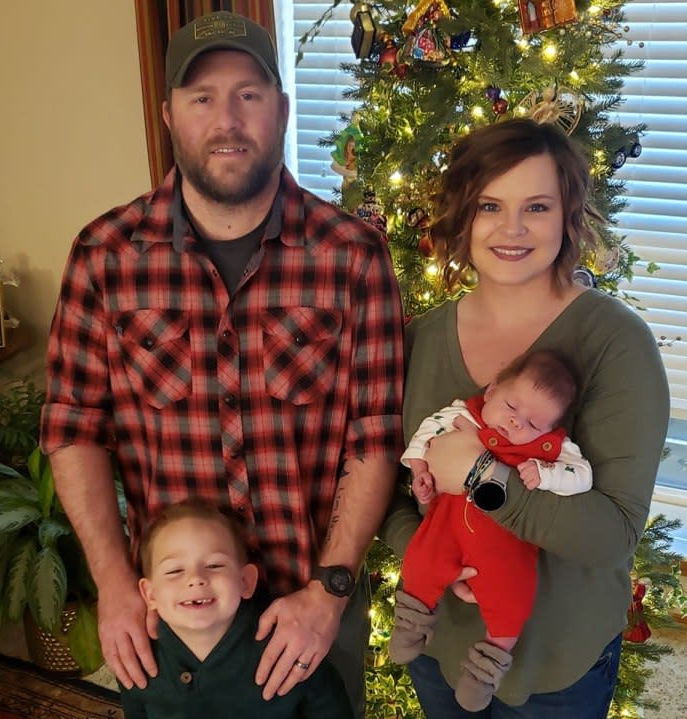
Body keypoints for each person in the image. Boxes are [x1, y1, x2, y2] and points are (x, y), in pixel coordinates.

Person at [39, 11, 405, 719]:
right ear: (170, 112)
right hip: (172, 616)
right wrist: (116, 582)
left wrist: (329, 592)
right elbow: (73, 426)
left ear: (281, 108)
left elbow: (373, 436)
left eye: (249, 94)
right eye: (202, 97)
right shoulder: (106, 254)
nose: (227, 119)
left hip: (308, 610)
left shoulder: (351, 255)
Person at [379, 118, 669, 719]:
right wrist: (430, 554)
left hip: (556, 666)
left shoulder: (616, 342)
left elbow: (613, 534)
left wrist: (484, 478)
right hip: (442, 649)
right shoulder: (422, 341)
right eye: (490, 205)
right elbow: (392, 496)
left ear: (568, 218)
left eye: (536, 206)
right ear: (463, 216)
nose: (511, 229)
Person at [389, 349, 592, 711]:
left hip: (506, 545)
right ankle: (409, 623)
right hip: (448, 523)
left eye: (533, 424)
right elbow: (427, 434)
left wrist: (548, 474)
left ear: (551, 431)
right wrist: (421, 472)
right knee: (421, 561)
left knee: (512, 601)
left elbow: (583, 476)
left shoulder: (552, 451)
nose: (516, 424)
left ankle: (486, 669)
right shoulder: (463, 414)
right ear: (492, 390)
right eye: (512, 407)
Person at [119, 499, 353, 718]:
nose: (195, 579)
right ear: (150, 594)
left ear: (246, 581)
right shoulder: (136, 658)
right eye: (174, 571)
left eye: (214, 565)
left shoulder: (288, 645)